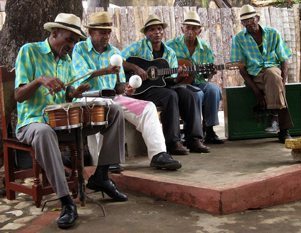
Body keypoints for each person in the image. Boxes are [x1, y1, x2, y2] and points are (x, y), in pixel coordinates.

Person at [14, 13, 127, 229]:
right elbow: (18, 96)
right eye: (70, 39)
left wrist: (75, 93)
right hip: (33, 122)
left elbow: (65, 97)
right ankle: (66, 202)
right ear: (54, 32)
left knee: (114, 111)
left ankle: (102, 174)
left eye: (75, 41)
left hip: (61, 121)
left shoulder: (66, 61)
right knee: (44, 132)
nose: (73, 45)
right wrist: (39, 80)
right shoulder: (29, 51)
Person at [72, 12, 181, 170]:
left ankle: (158, 154)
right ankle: (106, 162)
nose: (106, 36)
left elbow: (119, 85)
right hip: (88, 98)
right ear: (91, 33)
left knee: (148, 107)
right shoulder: (79, 49)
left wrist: (126, 88)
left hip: (114, 98)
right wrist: (106, 70)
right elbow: (81, 76)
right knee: (107, 108)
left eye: (108, 32)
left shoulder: (114, 51)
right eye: (102, 32)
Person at [122, 14, 210, 154]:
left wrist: (179, 76)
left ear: (163, 32)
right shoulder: (137, 47)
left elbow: (171, 79)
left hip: (163, 86)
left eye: (159, 29)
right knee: (170, 95)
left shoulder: (169, 52)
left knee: (190, 94)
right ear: (146, 33)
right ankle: (173, 142)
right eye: (152, 30)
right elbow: (119, 61)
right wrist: (136, 68)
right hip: (143, 89)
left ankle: (194, 139)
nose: (157, 32)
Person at [230, 4, 294, 143]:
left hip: (273, 70)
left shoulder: (273, 33)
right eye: (245, 21)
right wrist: (256, 92)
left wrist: (283, 82)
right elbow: (241, 68)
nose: (248, 23)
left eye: (251, 19)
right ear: (241, 23)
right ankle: (283, 130)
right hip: (255, 75)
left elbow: (284, 59)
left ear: (257, 18)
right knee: (274, 80)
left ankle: (273, 116)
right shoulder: (238, 39)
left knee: (273, 75)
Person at [166, 11, 224, 144]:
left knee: (213, 90)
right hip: (178, 84)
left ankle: (209, 130)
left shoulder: (205, 48)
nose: (190, 31)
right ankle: (190, 132)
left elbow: (206, 76)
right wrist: (177, 74)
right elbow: (164, 67)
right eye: (187, 27)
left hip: (197, 82)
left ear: (200, 31)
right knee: (196, 95)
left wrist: (210, 73)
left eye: (194, 28)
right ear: (182, 29)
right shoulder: (170, 46)